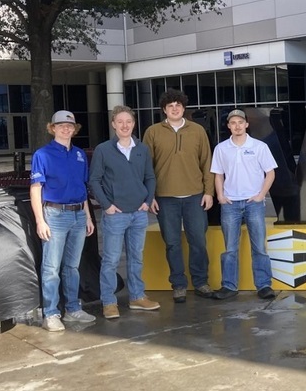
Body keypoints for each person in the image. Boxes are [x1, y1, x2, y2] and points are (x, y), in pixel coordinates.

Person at [143, 88, 215, 303]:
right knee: (172, 243)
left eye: (178, 105)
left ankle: (201, 282)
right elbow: (146, 167)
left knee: (198, 242)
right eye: (170, 106)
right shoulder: (153, 132)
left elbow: (207, 163)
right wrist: (150, 196)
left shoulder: (197, 131)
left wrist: (208, 192)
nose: (174, 108)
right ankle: (179, 285)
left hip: (195, 196)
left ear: (183, 108)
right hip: (165, 198)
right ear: (164, 109)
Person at [89, 105, 160, 319]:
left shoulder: (142, 149)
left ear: (134, 124)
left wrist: (147, 201)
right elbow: (94, 180)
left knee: (136, 258)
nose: (124, 125)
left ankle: (137, 296)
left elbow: (150, 177)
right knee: (111, 259)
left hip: (139, 213)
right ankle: (109, 301)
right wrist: (107, 205)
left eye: (128, 121)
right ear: (113, 124)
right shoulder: (103, 150)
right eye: (120, 122)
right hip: (115, 214)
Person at [30, 110, 96, 332]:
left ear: (74, 129)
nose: (66, 129)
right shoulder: (43, 154)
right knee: (51, 267)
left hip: (78, 214)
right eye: (61, 126)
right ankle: (50, 313)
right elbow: (36, 188)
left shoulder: (79, 155)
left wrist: (87, 216)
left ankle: (73, 309)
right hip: (55, 215)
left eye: (69, 126)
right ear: (53, 128)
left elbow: (83, 188)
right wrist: (40, 221)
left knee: (72, 266)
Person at [210, 109, 279, 300]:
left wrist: (260, 195)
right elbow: (218, 174)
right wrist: (221, 196)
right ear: (228, 126)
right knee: (230, 248)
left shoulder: (259, 146)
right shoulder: (221, 148)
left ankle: (264, 285)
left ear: (246, 124)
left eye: (240, 122)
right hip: (230, 203)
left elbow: (270, 173)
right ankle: (229, 286)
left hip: (253, 203)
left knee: (259, 247)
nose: (237, 126)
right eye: (233, 122)